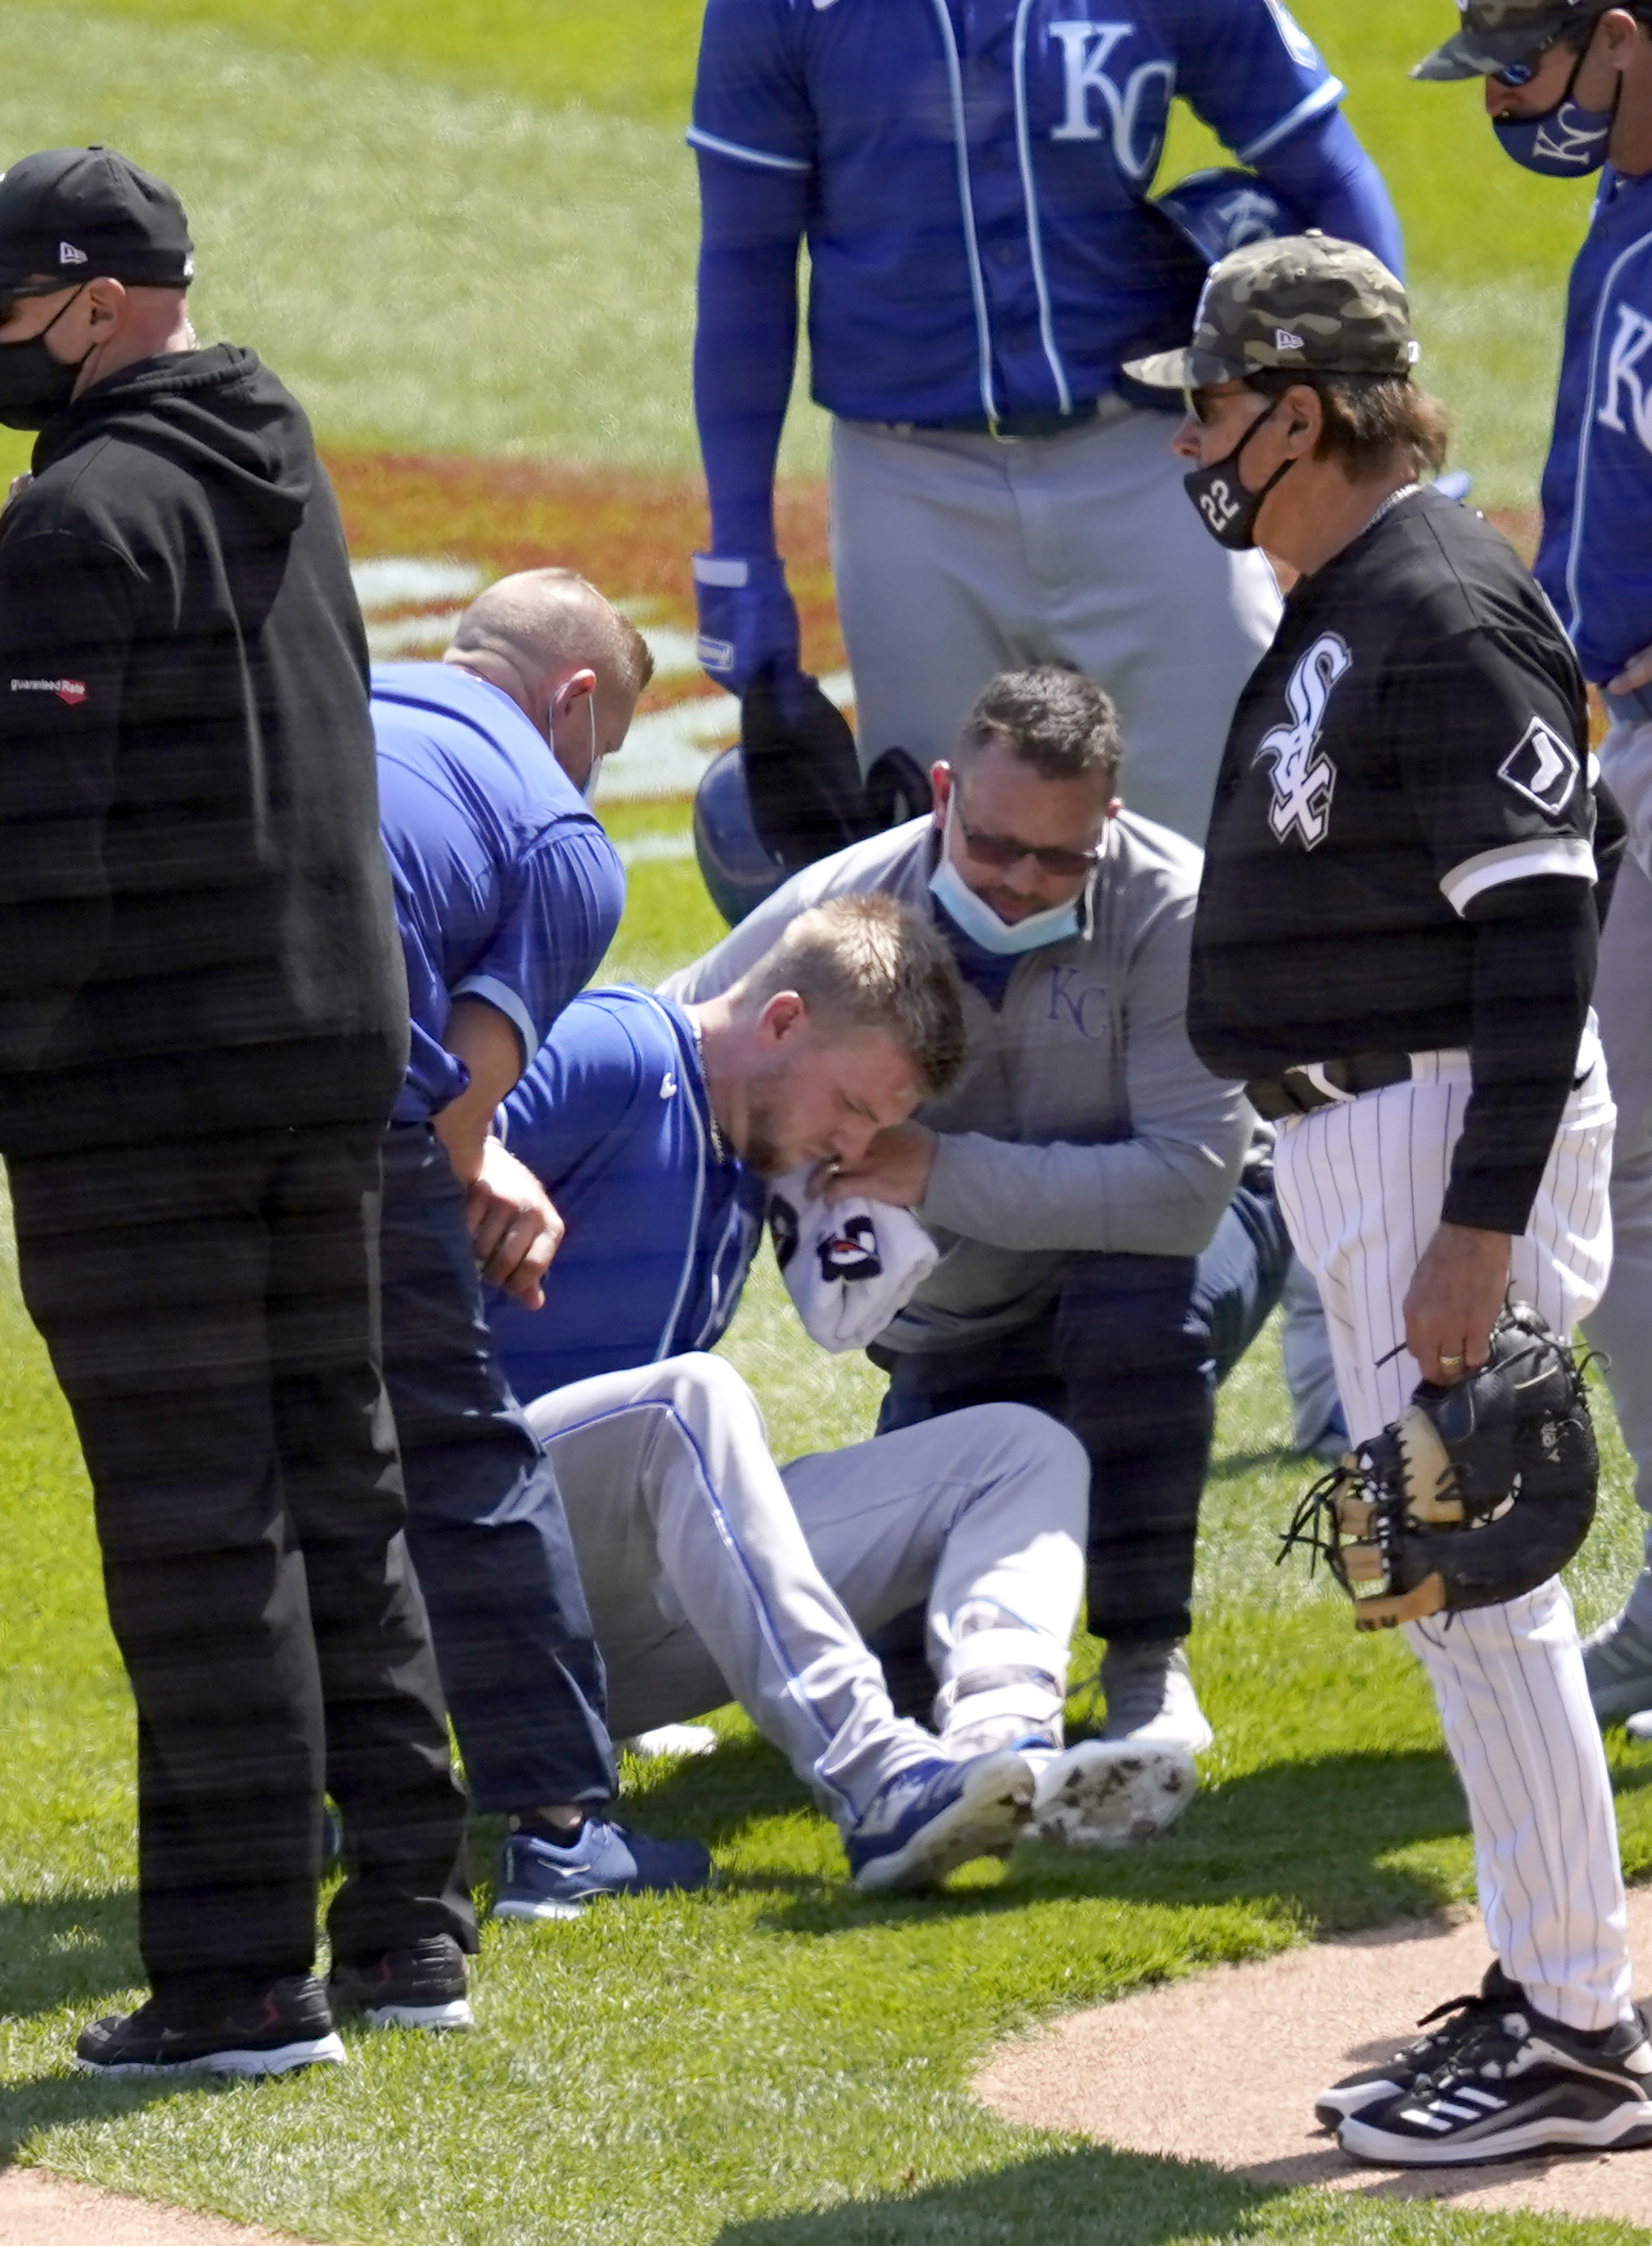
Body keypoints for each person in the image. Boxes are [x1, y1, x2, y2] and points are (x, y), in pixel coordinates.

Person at [0, 147, 478, 2079]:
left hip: (152, 1099)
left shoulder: (82, 519)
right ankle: (407, 1919)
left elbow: (41, 871)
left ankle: (239, 1983)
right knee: (343, 1482)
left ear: (94, 304)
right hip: (327, 1060)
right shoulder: (272, 451)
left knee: (197, 1530)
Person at [1136, 235, 1649, 2166]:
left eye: (1205, 399)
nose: (1187, 435)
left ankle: (1582, 2033)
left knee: (1482, 1585)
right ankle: (1543, 1981)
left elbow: (1541, 937)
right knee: (1439, 1588)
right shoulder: (1350, 597)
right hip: (1376, 1141)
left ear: (1297, 403)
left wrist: (1476, 1233)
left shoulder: (1437, 606)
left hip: (1436, 1142)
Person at [665, 669, 1255, 1758]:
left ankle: (1143, 1665)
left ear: (1108, 826)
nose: (1025, 882)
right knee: (901, 1663)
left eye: (1062, 856)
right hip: (967, 1297)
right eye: (992, 846)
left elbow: (1184, 1189)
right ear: (943, 795)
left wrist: (936, 1169)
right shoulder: (846, 903)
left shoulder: (1173, 907)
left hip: (1168, 1246)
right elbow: (677, 1050)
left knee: (1130, 1312)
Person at [687, 0, 1403, 840]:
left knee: (1234, 829)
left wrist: (1374, 430)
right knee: (950, 869)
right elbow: (745, 258)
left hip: (1151, 465)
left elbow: (1330, 172)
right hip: (910, 497)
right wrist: (738, 544)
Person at [367, 571, 710, 1921]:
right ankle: (561, 1834)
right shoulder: (559, 831)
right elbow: (462, 1090)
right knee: (471, 1455)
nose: (598, 773)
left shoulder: (342, 704)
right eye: (607, 745)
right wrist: (479, 1169)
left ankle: (306, 1823)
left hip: (168, 1121)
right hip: (353, 1129)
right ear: (575, 700)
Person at [1429, 0, 1652, 1733]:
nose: (1504, 102)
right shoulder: (1622, 209)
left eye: (1523, 65)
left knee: (1625, 1156)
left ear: (1622, 41)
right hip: (1623, 729)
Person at [524, 1355, 1196, 1891]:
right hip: (484, 1608)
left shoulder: (728, 1188)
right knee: (686, 1393)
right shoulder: (459, 1182)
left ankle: (1004, 1753)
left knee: (1020, 1449)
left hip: (644, 1583)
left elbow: (872, 1293)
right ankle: (879, 1781)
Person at [483, 895, 963, 1407]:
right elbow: (416, 1136)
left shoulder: (748, 1170)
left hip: (597, 1476)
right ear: (782, 1022)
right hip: (466, 1455)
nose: (852, 1148)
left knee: (1022, 1445)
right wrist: (484, 1156)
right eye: (849, 1106)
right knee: (701, 1392)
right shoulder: (623, 1051)